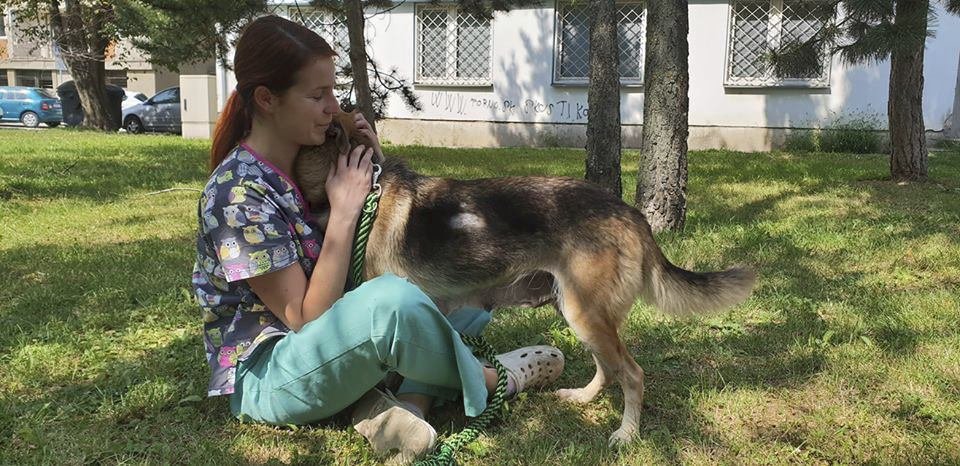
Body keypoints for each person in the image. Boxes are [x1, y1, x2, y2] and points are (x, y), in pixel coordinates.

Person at [191, 15, 565, 464]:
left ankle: (402, 405)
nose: (333, 106)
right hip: (273, 372)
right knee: (396, 302)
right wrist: (345, 212)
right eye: (317, 95)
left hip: (328, 349)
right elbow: (306, 319)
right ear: (267, 100)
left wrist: (375, 168)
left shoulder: (303, 163)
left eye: (333, 90)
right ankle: (495, 379)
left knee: (457, 299)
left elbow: (375, 250)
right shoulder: (236, 193)